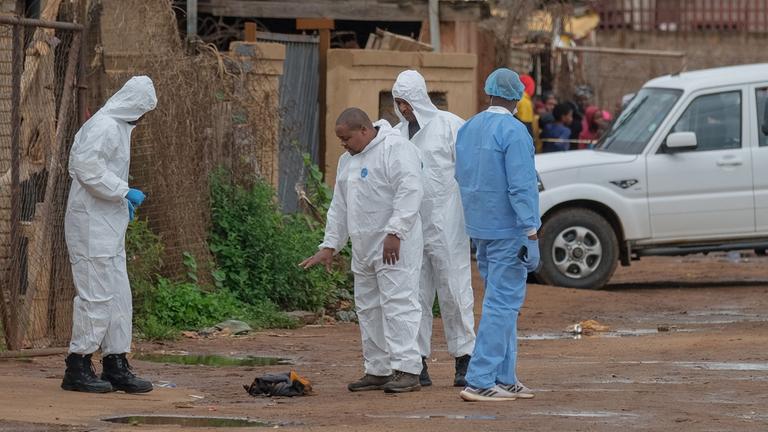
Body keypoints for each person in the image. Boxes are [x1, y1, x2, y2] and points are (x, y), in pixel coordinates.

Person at [300, 108, 424, 393]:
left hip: (395, 245)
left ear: (365, 130)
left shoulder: (396, 149)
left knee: (399, 303)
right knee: (368, 308)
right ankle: (377, 369)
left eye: (346, 138)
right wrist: (330, 245)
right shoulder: (348, 161)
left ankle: (407, 369)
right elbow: (340, 207)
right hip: (364, 247)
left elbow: (410, 190)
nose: (342, 144)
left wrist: (396, 231)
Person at [62, 76, 157, 394]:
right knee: (96, 296)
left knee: (118, 297)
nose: (144, 116)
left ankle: (115, 363)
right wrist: (123, 190)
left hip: (107, 225)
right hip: (91, 226)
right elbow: (86, 167)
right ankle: (78, 365)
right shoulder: (104, 126)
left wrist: (120, 199)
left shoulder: (117, 125)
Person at [454, 68, 540, 402]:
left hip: (480, 227)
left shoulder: (469, 127)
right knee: (503, 304)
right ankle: (480, 379)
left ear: (488, 91)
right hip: (509, 229)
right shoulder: (514, 132)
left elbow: (461, 175)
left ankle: (504, 377)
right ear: (517, 97)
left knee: (498, 302)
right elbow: (521, 186)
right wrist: (531, 230)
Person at [391, 70, 476, 388]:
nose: (403, 109)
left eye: (406, 102)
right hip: (411, 226)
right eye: (398, 103)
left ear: (418, 98)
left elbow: (468, 173)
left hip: (448, 223)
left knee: (455, 291)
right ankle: (416, 363)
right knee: (414, 295)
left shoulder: (450, 127)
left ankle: (464, 360)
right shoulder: (396, 136)